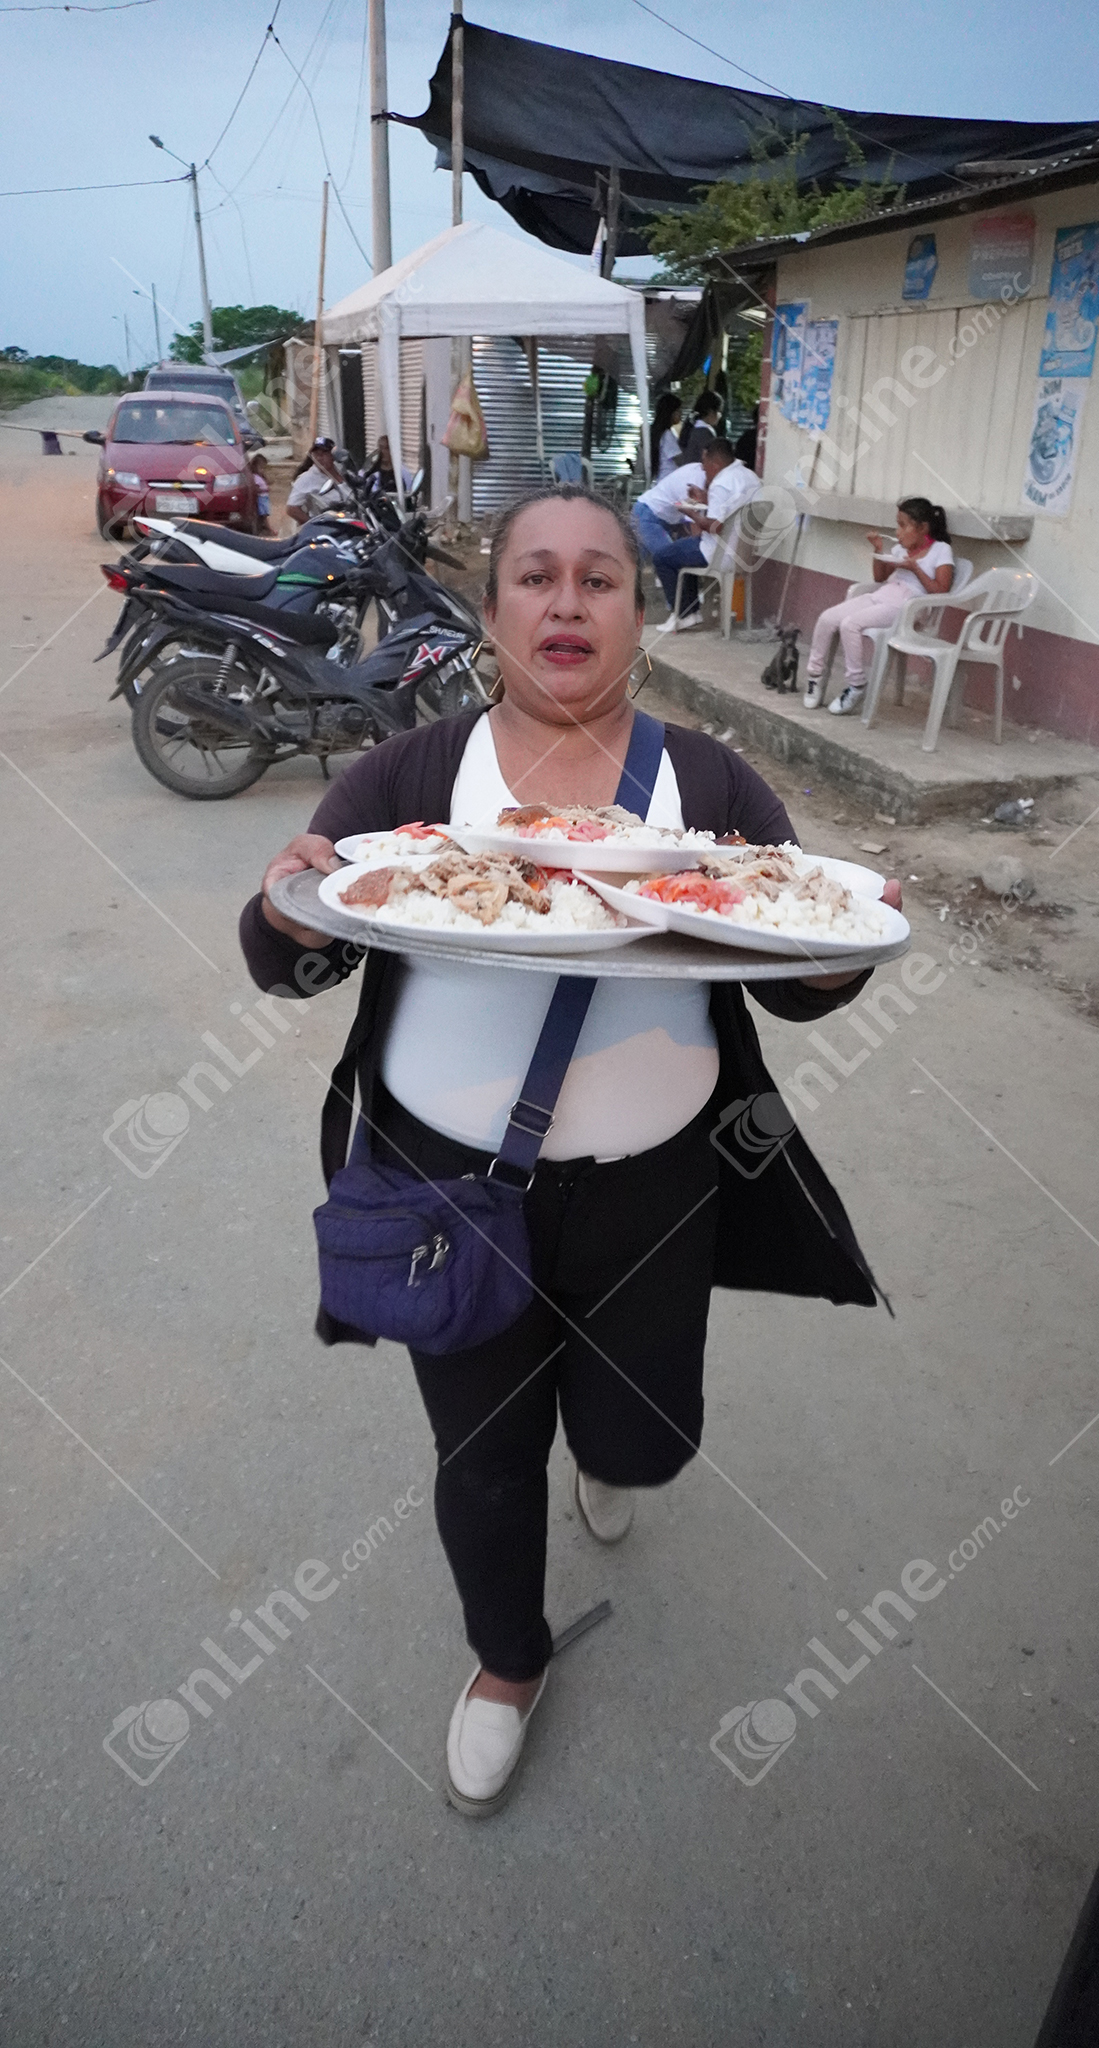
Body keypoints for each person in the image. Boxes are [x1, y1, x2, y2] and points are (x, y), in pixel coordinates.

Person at [240, 484, 899, 1818]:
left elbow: (794, 957)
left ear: (638, 617)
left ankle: (607, 1449)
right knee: (486, 1456)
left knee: (638, 1435)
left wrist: (842, 958)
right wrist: (290, 915)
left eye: (600, 579)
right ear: (490, 612)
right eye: (534, 576)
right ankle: (508, 1663)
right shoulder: (416, 778)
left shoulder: (706, 784)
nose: (566, 601)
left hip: (659, 1197)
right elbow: (292, 954)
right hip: (447, 1192)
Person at [805, 498, 955, 716]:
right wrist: (878, 550)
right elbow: (880, 577)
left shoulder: (940, 550)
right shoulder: (899, 549)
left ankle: (856, 685)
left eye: (903, 525)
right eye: (897, 525)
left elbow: (941, 590)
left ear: (923, 528)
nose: (898, 532)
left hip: (909, 607)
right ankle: (815, 676)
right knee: (827, 618)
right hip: (883, 595)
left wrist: (915, 569)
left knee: (850, 624)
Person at [650, 437, 760, 630]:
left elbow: (715, 527)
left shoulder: (720, 483)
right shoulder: (750, 477)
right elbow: (731, 509)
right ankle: (690, 612)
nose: (702, 468)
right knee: (683, 550)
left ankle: (684, 614)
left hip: (718, 552)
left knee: (662, 557)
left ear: (715, 464)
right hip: (744, 552)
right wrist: (705, 499)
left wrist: (689, 512)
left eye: (704, 462)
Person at [629, 456, 705, 572]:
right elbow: (694, 528)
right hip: (648, 514)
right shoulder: (696, 481)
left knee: (637, 566)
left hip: (656, 515)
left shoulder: (696, 470)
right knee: (669, 559)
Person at [285, 436, 353, 525]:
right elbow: (292, 509)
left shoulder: (344, 472)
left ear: (332, 456)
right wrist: (314, 525)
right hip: (329, 525)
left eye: (324, 453)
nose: (319, 458)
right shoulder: (306, 478)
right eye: (316, 454)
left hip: (352, 520)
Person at [361, 431, 413, 500]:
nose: (383, 451)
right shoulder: (373, 471)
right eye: (381, 448)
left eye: (386, 448)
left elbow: (409, 491)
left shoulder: (402, 471)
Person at [678, 390, 722, 465]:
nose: (720, 415)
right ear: (711, 412)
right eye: (719, 411)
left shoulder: (692, 427)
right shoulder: (705, 432)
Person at [649, 394, 684, 481]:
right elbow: (679, 460)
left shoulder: (659, 433)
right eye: (678, 411)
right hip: (667, 479)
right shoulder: (667, 435)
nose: (681, 414)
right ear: (670, 413)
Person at [249, 452, 272, 535]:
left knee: (265, 513)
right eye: (261, 468)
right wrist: (263, 490)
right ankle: (269, 529)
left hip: (264, 497)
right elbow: (255, 489)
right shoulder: (255, 477)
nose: (262, 470)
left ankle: (264, 528)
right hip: (261, 498)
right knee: (264, 514)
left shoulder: (260, 477)